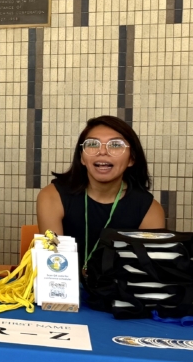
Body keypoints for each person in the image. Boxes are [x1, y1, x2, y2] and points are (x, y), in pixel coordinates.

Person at [37, 115, 164, 271]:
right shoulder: (52, 196)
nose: (102, 151)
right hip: (65, 282)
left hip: (122, 285)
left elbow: (147, 272)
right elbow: (54, 265)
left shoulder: (150, 209)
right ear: (82, 157)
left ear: (131, 158)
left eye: (115, 145)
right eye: (92, 144)